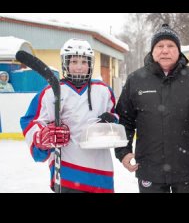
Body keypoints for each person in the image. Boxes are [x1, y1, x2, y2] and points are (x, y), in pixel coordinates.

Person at [115, 24, 189, 193]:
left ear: (179, 50)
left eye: (170, 46)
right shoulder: (136, 80)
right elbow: (125, 120)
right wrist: (123, 151)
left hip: (188, 169)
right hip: (149, 169)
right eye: (160, 46)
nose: (165, 51)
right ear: (152, 51)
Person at [20, 38, 118, 193]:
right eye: (74, 62)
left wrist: (112, 122)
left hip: (100, 171)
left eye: (84, 62)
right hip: (67, 172)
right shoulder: (50, 92)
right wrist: (42, 136)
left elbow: (116, 118)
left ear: (90, 64)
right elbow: (30, 121)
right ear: (66, 63)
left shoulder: (104, 91)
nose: (79, 67)